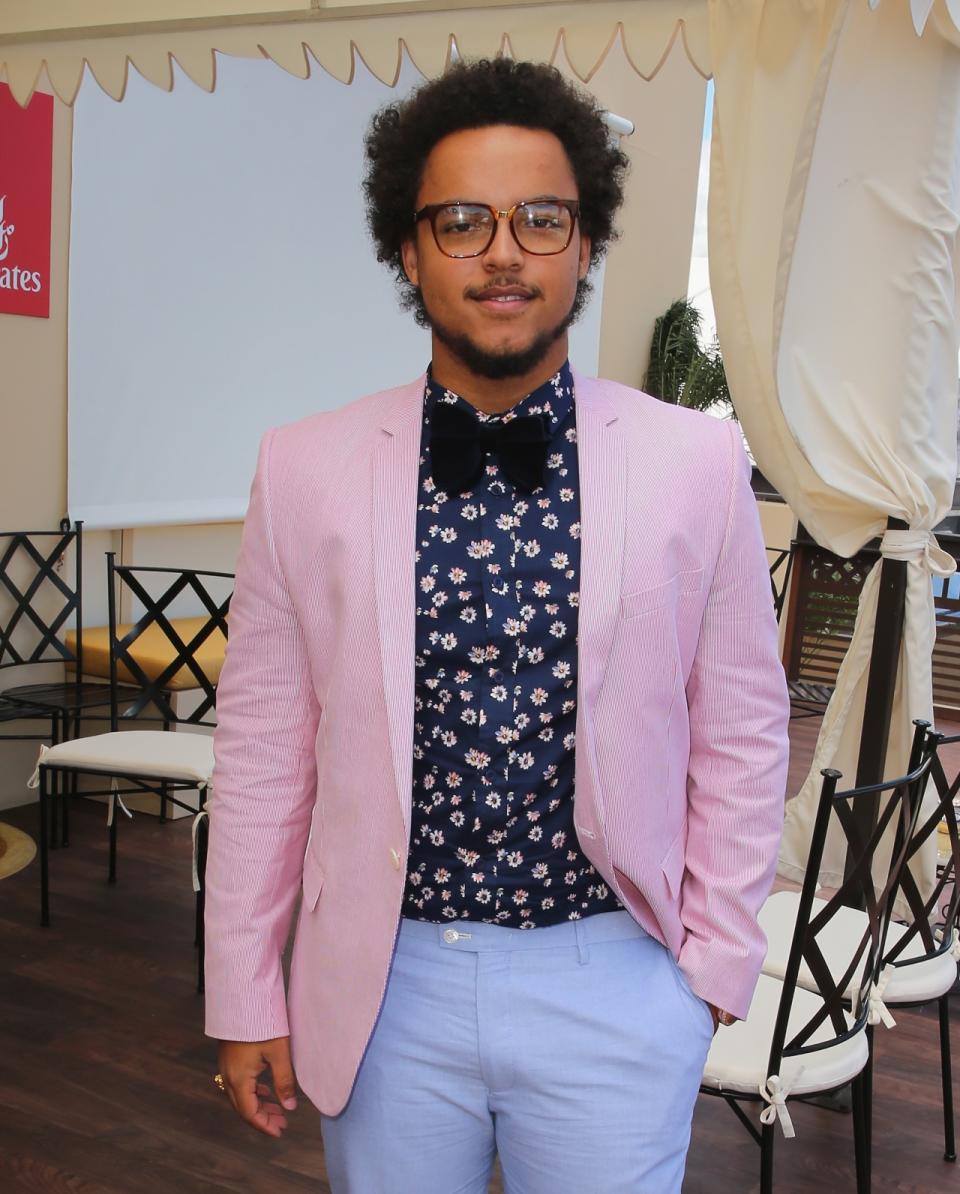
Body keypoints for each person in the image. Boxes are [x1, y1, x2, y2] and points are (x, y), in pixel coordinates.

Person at [204, 57, 791, 1193]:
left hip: (617, 975)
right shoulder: (305, 466)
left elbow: (745, 726)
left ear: (584, 242)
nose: (505, 251)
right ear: (408, 248)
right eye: (463, 221)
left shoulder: (697, 461)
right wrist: (245, 991)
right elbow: (265, 750)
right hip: (385, 986)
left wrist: (711, 967)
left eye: (542, 218)